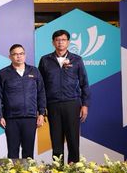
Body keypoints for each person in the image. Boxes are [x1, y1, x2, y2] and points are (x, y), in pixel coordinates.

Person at [38, 29, 90, 163]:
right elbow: (40, 86)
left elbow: (84, 83)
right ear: (53, 42)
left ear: (68, 42)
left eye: (63, 40)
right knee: (56, 141)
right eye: (57, 40)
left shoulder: (77, 60)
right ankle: (58, 171)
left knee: (73, 140)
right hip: (53, 105)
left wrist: (85, 105)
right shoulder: (45, 60)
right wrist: (41, 108)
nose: (60, 42)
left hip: (72, 104)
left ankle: (74, 171)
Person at [0, 44, 46, 159]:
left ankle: (28, 171)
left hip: (30, 117)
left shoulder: (34, 71)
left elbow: (41, 93)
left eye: (21, 54)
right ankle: (12, 171)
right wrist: (0, 115)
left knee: (28, 153)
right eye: (15, 54)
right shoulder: (3, 73)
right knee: (12, 152)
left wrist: (42, 113)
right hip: (11, 118)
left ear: (25, 55)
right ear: (10, 57)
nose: (18, 56)